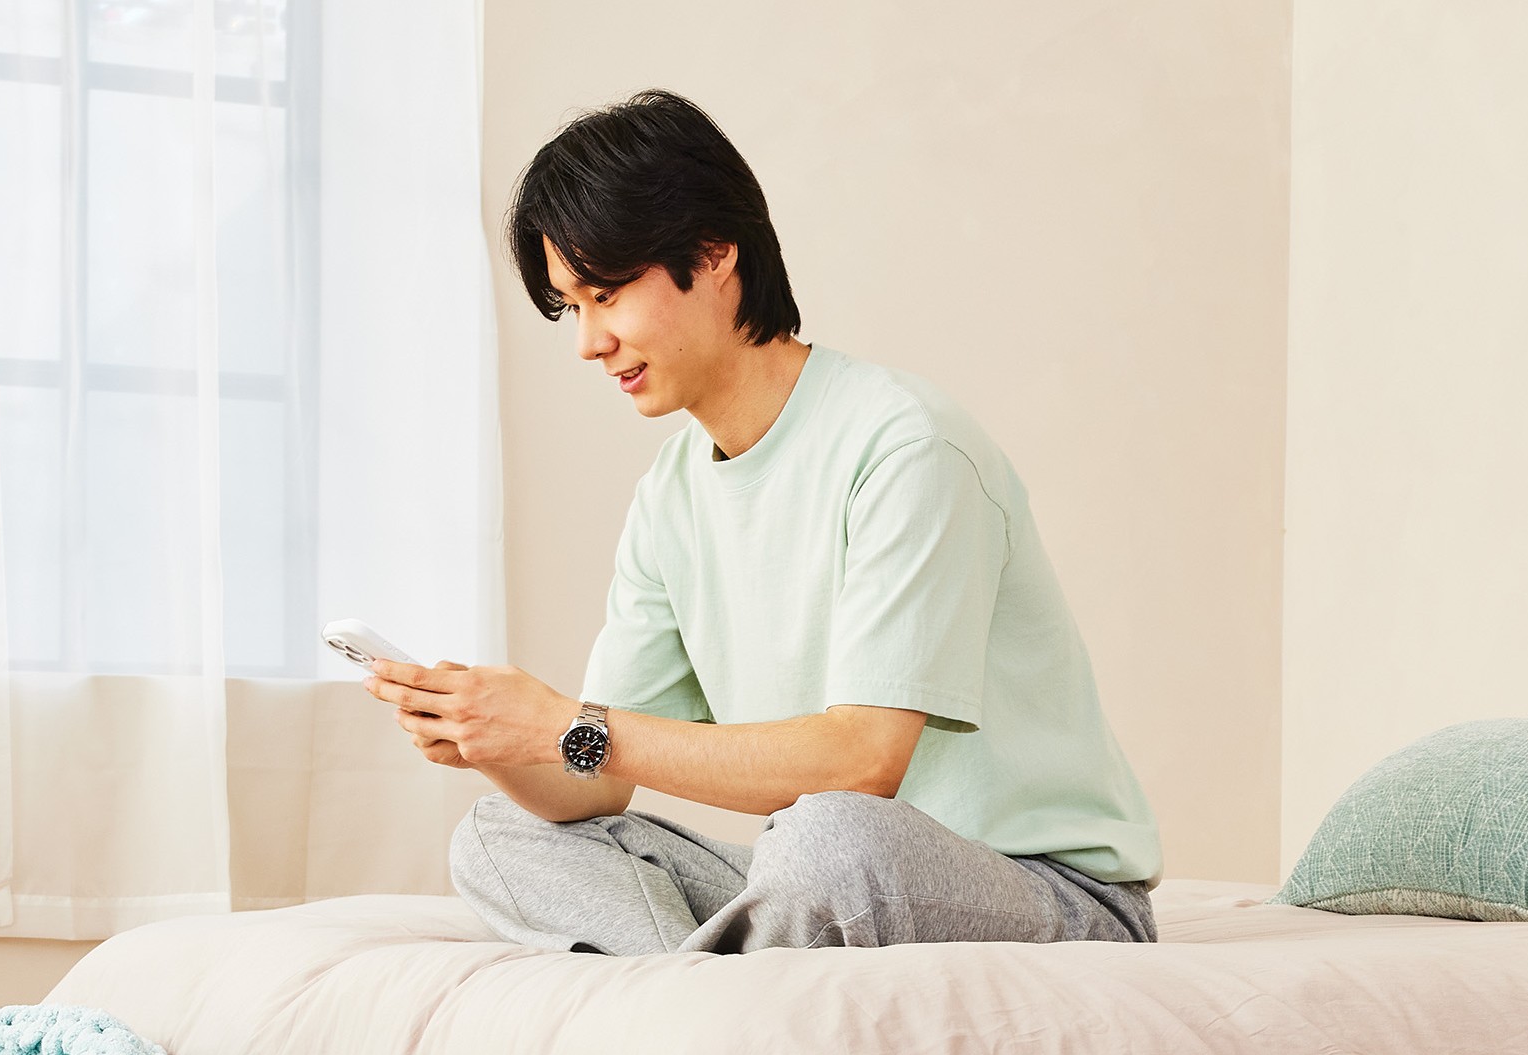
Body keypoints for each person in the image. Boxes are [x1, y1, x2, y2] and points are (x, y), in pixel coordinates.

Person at [368, 90, 1163, 955]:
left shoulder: (905, 446)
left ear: (712, 254)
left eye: (605, 294)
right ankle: (714, 993)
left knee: (825, 842)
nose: (587, 342)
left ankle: (703, 986)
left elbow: (862, 764)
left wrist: (563, 724)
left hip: (1044, 892)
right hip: (828, 875)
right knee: (499, 838)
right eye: (573, 306)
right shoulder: (670, 496)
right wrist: (493, 735)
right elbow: (592, 786)